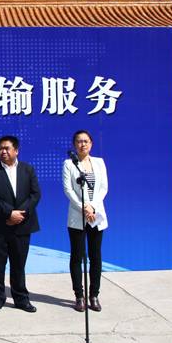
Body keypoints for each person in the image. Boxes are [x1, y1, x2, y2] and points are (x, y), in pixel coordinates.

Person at [0, 135, 40, 314]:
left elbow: (35, 194)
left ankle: (21, 299)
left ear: (16, 150)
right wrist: (9, 213)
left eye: (7, 148)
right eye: (0, 148)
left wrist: (20, 214)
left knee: (18, 265)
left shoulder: (28, 169)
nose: (3, 151)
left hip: (22, 225)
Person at [62, 129, 109, 312]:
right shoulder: (69, 164)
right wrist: (83, 207)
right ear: (74, 145)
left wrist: (92, 207)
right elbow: (68, 190)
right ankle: (79, 296)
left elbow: (103, 188)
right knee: (77, 256)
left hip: (95, 216)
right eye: (79, 141)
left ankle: (94, 295)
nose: (82, 144)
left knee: (95, 256)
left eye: (85, 141)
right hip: (77, 216)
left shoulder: (99, 162)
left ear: (91, 143)